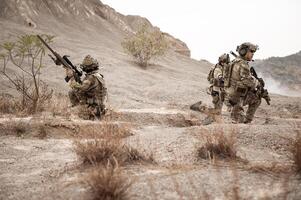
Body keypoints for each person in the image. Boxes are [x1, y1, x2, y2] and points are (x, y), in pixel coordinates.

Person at [224, 42, 261, 123]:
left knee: (256, 98)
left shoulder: (233, 62)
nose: (252, 54)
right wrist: (257, 82)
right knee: (257, 98)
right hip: (236, 98)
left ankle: (242, 118)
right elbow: (247, 81)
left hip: (229, 95)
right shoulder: (243, 64)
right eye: (251, 51)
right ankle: (246, 121)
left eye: (253, 52)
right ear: (244, 51)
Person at [67, 55, 107, 120]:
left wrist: (72, 77)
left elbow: (80, 88)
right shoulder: (98, 75)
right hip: (99, 106)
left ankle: (80, 110)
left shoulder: (91, 78)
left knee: (72, 92)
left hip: (92, 108)